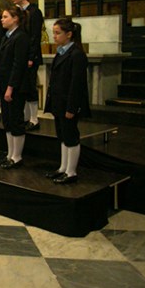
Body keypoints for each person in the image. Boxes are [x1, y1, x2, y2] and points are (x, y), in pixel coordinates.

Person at [44, 18, 90, 184]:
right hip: (58, 101)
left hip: (68, 103)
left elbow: (77, 84)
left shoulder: (76, 54)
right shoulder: (61, 51)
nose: (54, 36)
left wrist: (72, 107)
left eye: (58, 33)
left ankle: (71, 171)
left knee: (71, 136)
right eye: (53, 33)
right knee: (62, 135)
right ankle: (63, 167)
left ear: (69, 34)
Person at [0, 7, 30, 169]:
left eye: (5, 17)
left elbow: (18, 65)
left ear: (15, 19)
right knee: (7, 121)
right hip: (3, 83)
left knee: (15, 120)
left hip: (15, 86)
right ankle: (9, 154)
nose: (2, 19)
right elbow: (1, 64)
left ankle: (17, 156)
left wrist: (10, 88)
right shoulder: (6, 37)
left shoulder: (21, 37)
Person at [11, 0, 44, 131]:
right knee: (21, 87)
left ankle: (34, 119)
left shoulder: (34, 11)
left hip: (30, 55)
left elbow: (35, 36)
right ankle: (24, 116)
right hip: (19, 54)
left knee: (30, 87)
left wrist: (31, 57)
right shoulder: (16, 12)